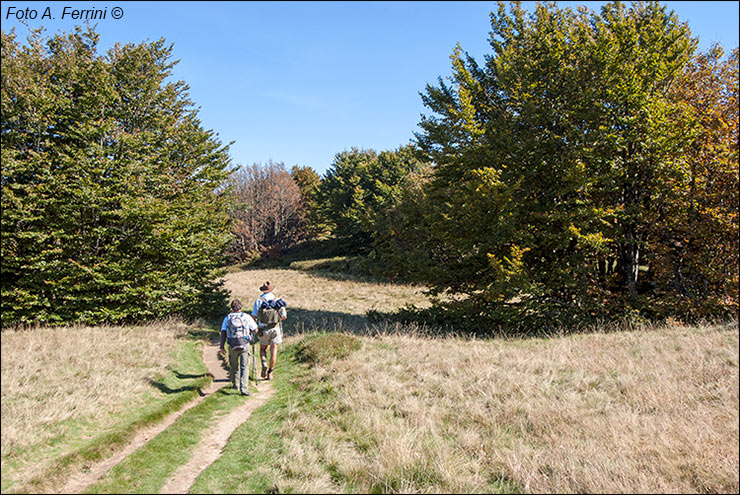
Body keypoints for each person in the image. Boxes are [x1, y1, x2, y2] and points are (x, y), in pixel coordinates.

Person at [219, 299, 258, 395]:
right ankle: (244, 388)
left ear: (231, 308)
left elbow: (223, 332)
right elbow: (256, 330)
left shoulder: (227, 318)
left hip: (232, 344)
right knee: (245, 366)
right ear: (240, 307)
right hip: (244, 344)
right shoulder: (246, 317)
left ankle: (235, 385)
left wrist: (222, 346)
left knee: (234, 366)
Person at [251, 281, 287, 380]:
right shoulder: (278, 300)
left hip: (263, 329)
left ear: (263, 290)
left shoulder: (259, 301)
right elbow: (284, 317)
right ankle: (270, 373)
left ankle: (263, 362)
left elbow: (253, 316)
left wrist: (254, 328)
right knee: (273, 351)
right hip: (275, 329)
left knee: (263, 349)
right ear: (271, 289)